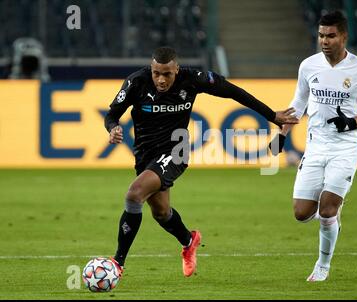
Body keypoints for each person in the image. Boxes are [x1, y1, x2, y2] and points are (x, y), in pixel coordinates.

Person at [105, 46, 298, 278]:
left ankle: (117, 263)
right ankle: (189, 241)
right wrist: (113, 127)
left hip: (176, 150)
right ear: (151, 68)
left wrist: (272, 116)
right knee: (161, 212)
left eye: (167, 73)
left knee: (134, 194)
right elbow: (112, 114)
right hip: (145, 154)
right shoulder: (136, 82)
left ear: (176, 69)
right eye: (156, 73)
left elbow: (233, 91)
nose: (161, 79)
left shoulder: (193, 79)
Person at [269, 11, 357, 281]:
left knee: (328, 209)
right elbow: (298, 103)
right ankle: (330, 217)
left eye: (331, 35)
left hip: (345, 147)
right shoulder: (308, 66)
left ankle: (323, 265)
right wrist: (281, 135)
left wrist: (355, 121)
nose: (325, 40)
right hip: (315, 146)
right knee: (301, 213)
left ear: (343, 36)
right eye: (321, 35)